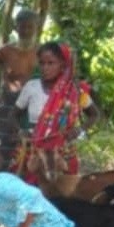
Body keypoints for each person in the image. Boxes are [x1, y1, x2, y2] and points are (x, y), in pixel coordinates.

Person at [13, 42, 103, 184]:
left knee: (63, 195)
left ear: (62, 64)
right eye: (42, 63)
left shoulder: (75, 91)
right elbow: (14, 114)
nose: (45, 68)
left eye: (51, 63)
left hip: (63, 152)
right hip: (34, 150)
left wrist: (80, 129)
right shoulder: (31, 87)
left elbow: (94, 115)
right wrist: (20, 131)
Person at [0, 9, 40, 120]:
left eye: (30, 27)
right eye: (22, 27)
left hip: (32, 108)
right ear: (16, 28)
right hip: (7, 106)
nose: (26, 31)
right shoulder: (5, 51)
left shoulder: (43, 53)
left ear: (36, 28)